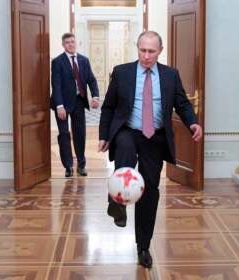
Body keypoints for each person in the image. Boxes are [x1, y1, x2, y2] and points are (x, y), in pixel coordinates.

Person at [98, 31, 203, 268]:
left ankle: (143, 246)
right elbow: (108, 107)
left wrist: (193, 122)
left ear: (160, 51)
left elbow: (182, 103)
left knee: (150, 190)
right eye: (142, 50)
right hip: (128, 130)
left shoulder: (170, 75)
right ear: (137, 49)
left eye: (151, 51)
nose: (146, 56)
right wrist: (104, 136)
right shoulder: (122, 72)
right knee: (124, 148)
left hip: (154, 138)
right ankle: (118, 202)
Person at [51, 33, 99, 177]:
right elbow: (56, 85)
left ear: (76, 43)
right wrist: (59, 106)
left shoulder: (84, 60)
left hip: (79, 101)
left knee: (80, 134)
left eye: (72, 42)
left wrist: (95, 96)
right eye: (67, 42)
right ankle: (68, 166)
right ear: (63, 45)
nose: (70, 44)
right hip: (62, 104)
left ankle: (81, 165)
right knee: (64, 134)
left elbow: (91, 79)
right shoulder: (57, 62)